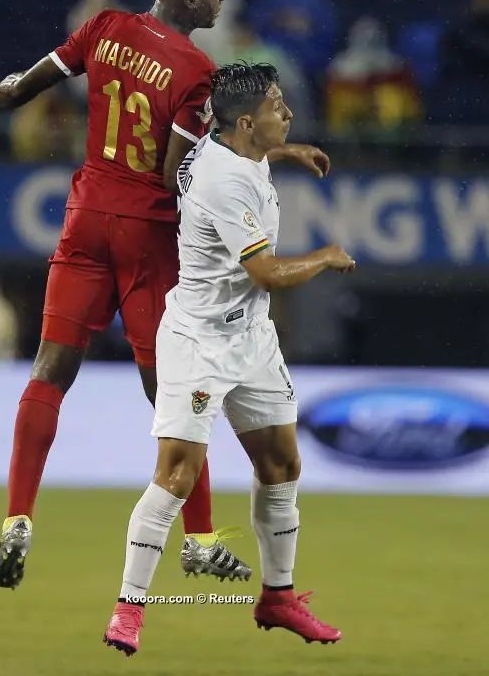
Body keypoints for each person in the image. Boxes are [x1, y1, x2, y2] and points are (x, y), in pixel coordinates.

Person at [0, 0, 328, 591]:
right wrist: (262, 163)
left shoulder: (104, 28)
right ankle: (198, 539)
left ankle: (17, 518)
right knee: (173, 389)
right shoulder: (198, 69)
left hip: (87, 215)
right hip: (145, 233)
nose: (223, 0)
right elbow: (178, 169)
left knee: (51, 367)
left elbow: (28, 84)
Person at [104, 63, 355, 656]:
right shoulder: (227, 182)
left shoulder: (234, 149)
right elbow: (266, 272)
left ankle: (277, 599)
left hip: (252, 340)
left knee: (281, 464)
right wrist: (324, 257)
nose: (287, 111)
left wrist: (286, 149)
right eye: (277, 106)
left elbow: (227, 152)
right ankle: (128, 609)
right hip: (200, 343)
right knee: (177, 474)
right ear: (246, 122)